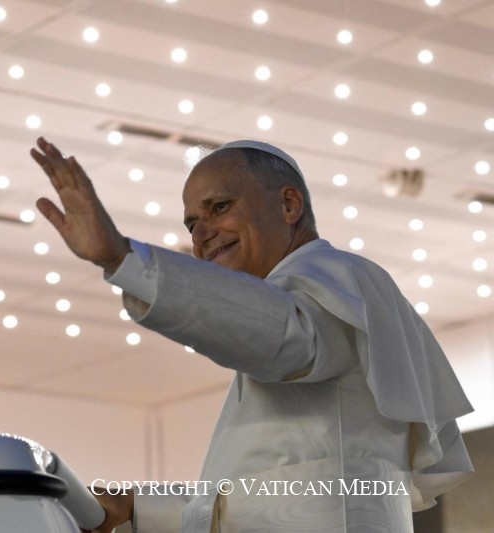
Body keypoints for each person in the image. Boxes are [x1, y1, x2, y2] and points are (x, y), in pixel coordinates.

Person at [30, 137, 473, 533]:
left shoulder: (336, 276)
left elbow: (285, 339)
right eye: (190, 224)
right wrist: (138, 509)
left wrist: (123, 258)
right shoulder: (300, 296)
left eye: (219, 207)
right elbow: (263, 503)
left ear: (288, 205)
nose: (200, 234)